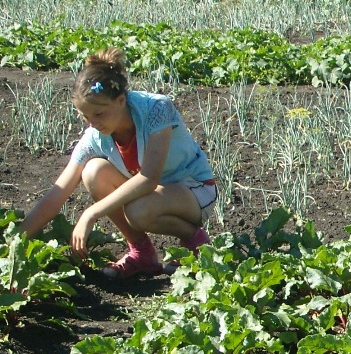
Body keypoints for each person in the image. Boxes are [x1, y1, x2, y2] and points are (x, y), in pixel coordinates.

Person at [21, 49, 215, 277]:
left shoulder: (157, 109)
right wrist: (14, 241)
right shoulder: (95, 136)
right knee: (94, 172)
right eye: (85, 116)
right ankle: (142, 254)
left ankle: (197, 244)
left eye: (99, 114)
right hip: (156, 197)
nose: (92, 123)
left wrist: (90, 214)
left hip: (195, 190)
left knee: (138, 210)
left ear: (121, 100)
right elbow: (58, 192)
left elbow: (148, 180)